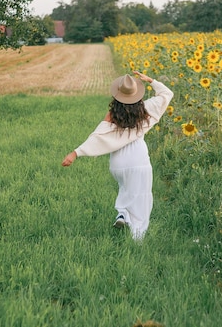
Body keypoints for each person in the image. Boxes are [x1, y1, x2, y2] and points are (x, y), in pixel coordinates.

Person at [61, 71, 173, 240]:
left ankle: (122, 214)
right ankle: (138, 238)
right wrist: (151, 80)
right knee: (141, 196)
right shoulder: (146, 110)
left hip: (119, 163)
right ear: (137, 94)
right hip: (139, 159)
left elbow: (98, 136)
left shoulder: (113, 115)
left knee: (125, 187)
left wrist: (76, 152)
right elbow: (167, 94)